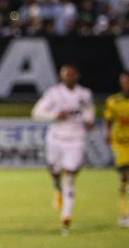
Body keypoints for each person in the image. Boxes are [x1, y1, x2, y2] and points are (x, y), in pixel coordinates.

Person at [31, 64, 95, 233]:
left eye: (71, 74)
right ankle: (56, 188)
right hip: (56, 139)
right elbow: (36, 113)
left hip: (76, 139)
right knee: (55, 172)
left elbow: (89, 111)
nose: (69, 77)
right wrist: (54, 116)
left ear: (77, 76)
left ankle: (66, 216)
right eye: (66, 75)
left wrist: (89, 120)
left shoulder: (85, 94)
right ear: (61, 77)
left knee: (70, 175)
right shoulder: (54, 94)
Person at [103, 72, 129, 227]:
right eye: (124, 82)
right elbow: (108, 119)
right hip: (120, 144)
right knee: (125, 176)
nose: (126, 85)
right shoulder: (113, 101)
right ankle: (125, 213)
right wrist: (107, 134)